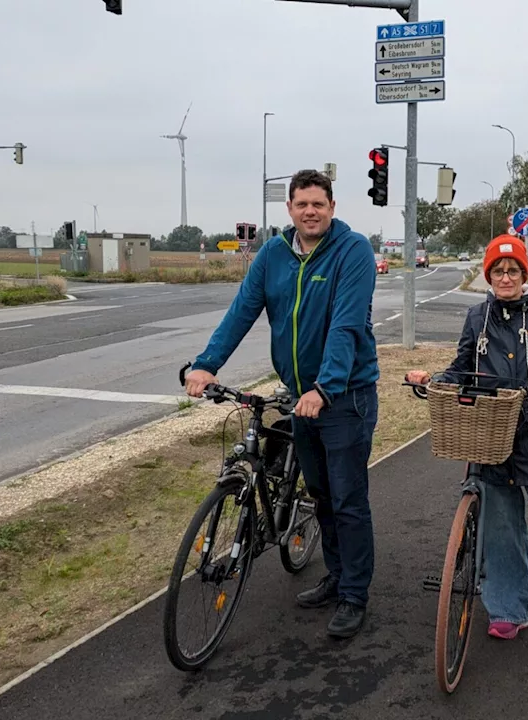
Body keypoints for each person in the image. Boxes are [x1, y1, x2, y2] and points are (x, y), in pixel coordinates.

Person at [185, 169, 380, 639]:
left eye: (318, 203)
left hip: (345, 396)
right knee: (322, 496)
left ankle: (355, 594)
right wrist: (206, 364)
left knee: (348, 499)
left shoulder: (352, 252)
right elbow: (242, 311)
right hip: (301, 398)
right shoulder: (273, 254)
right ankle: (335, 575)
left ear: (332, 207)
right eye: (301, 204)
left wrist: (325, 387)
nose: (310, 211)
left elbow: (346, 326)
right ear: (289, 209)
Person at [405, 235, 528, 673]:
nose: (506, 278)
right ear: (488, 275)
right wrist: (433, 378)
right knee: (501, 533)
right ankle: (511, 610)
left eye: (513, 270)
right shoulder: (477, 316)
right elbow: (461, 368)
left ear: (524, 275)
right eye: (498, 271)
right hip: (489, 436)